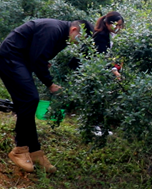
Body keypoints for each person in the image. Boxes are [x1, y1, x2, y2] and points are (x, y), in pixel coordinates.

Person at [0, 19, 93, 173]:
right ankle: (20, 150)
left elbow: (38, 54)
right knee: (30, 99)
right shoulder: (53, 29)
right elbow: (37, 59)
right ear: (74, 29)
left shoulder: (62, 36)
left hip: (20, 60)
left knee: (27, 103)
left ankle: (35, 152)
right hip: (11, 57)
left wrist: (42, 61)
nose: (79, 43)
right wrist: (50, 84)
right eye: (80, 38)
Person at [93, 11, 125, 79]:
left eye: (120, 25)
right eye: (116, 25)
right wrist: (115, 72)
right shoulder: (100, 36)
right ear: (107, 23)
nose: (118, 28)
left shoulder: (111, 34)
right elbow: (102, 57)